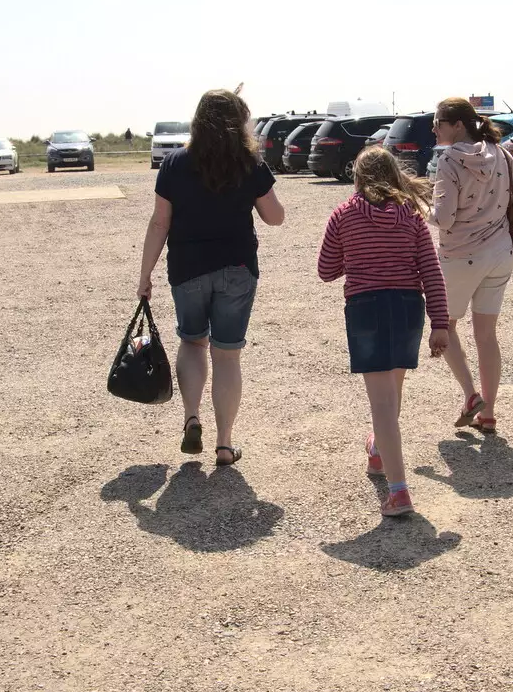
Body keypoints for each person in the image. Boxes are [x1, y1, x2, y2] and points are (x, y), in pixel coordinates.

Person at [137, 89, 285, 466]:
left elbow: (159, 223)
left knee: (192, 343)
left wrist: (145, 275)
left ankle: (191, 418)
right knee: (227, 355)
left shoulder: (173, 164)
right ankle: (223, 444)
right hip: (236, 269)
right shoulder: (248, 163)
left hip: (187, 269)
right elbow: (275, 217)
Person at [317, 147, 449, 517]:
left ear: (357, 178)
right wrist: (440, 323)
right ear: (394, 176)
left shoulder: (343, 215)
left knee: (383, 404)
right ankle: (377, 453)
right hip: (408, 307)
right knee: (393, 392)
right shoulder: (412, 217)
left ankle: (399, 491)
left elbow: (326, 269)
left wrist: (357, 257)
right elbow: (432, 273)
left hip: (367, 309)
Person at [428, 96, 513, 437]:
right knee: (487, 335)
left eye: (438, 123)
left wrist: (426, 208)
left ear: (457, 125)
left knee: (444, 326)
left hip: (460, 256)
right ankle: (488, 413)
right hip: (499, 253)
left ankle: (470, 394)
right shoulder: (501, 152)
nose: (433, 129)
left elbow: (444, 218)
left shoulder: (449, 160)